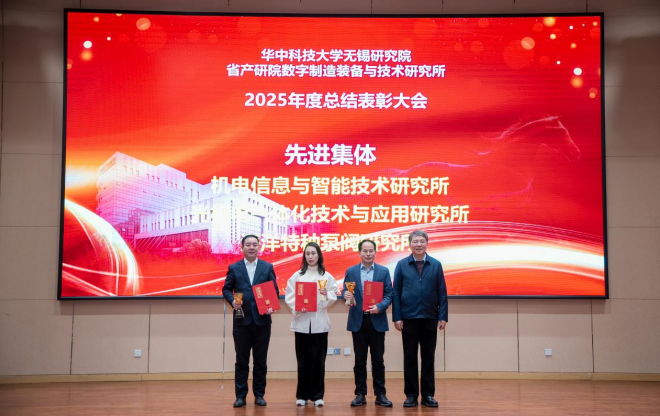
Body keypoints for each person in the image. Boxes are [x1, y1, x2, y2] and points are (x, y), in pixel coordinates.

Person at [392, 230, 448, 408]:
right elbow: (396, 293)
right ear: (410, 244)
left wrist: (442, 316)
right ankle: (411, 395)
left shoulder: (436, 264)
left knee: (428, 357)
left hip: (430, 317)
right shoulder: (401, 265)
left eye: (421, 241)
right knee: (409, 357)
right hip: (408, 317)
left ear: (427, 244)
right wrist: (397, 317)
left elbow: (442, 292)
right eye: (415, 241)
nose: (418, 244)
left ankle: (428, 395)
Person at [222, 235, 279, 408]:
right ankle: (240, 396)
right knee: (241, 361)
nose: (252, 247)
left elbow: (274, 291)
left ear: (259, 247)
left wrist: (271, 306)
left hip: (262, 322)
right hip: (241, 322)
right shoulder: (234, 267)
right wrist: (232, 301)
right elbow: (226, 289)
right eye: (248, 245)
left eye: (255, 244)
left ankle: (259, 395)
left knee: (260, 362)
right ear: (242, 248)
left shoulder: (267, 267)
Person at [285, 242, 338, 407]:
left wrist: (326, 295)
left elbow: (333, 294)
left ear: (319, 255)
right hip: (302, 323)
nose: (310, 256)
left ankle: (318, 395)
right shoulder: (297, 276)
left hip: (319, 323)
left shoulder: (326, 276)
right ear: (304, 256)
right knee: (302, 361)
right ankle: (302, 395)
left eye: (313, 253)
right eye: (307, 253)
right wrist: (298, 306)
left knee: (319, 361)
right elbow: (289, 296)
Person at [343, 239, 393, 407]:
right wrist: (346, 295)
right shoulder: (351, 271)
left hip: (377, 320)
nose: (368, 254)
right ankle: (360, 393)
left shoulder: (383, 271)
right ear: (359, 253)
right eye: (365, 251)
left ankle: (380, 394)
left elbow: (389, 294)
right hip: (358, 320)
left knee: (378, 360)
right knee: (359, 361)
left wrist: (380, 306)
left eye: (371, 250)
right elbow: (346, 291)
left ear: (375, 252)